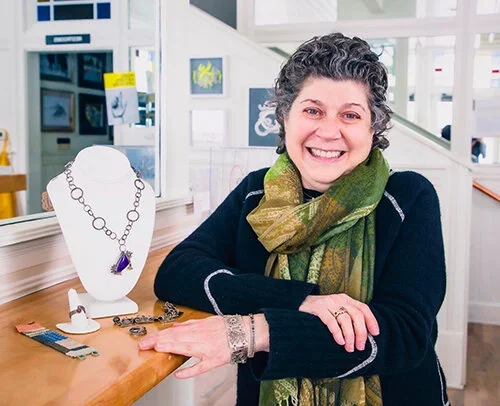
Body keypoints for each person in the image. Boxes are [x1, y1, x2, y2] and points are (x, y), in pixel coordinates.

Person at [139, 33, 449, 406]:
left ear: (373, 129)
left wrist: (257, 329)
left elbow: (405, 333)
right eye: (312, 110)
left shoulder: (408, 198)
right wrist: (301, 301)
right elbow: (178, 272)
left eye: (350, 115)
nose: (329, 131)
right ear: (285, 118)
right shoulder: (256, 193)